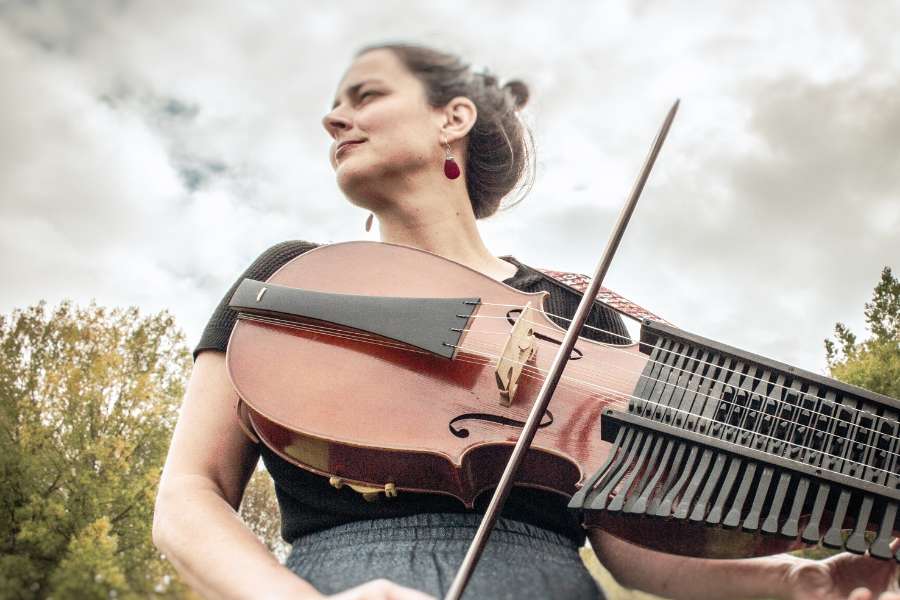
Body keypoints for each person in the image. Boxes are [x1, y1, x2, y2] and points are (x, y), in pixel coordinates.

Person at [152, 42, 900, 600]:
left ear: (453, 117)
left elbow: (629, 548)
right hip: (336, 579)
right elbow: (189, 495)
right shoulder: (291, 278)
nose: (333, 117)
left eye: (365, 94)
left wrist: (802, 581)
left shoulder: (578, 312)